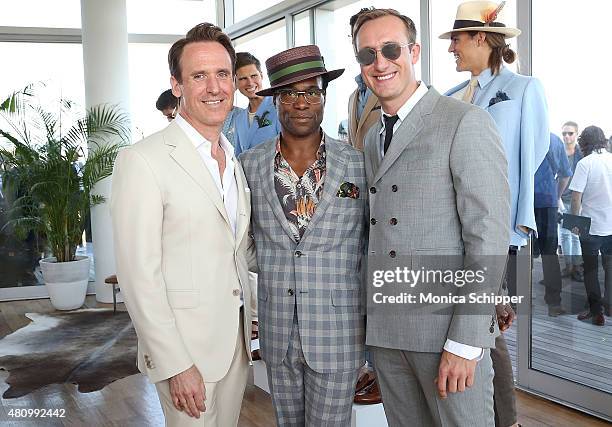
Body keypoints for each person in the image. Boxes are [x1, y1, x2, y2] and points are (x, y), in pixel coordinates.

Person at [353, 8, 510, 427]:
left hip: (446, 334)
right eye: (367, 55)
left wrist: (465, 341)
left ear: (415, 51)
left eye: (390, 49)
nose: (380, 62)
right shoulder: (372, 139)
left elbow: (488, 238)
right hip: (387, 334)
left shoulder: (465, 122)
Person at [111, 23, 257, 426]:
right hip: (186, 355)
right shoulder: (143, 160)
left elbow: (236, 251)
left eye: (223, 74)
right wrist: (175, 364)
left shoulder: (231, 160)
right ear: (177, 85)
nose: (214, 87)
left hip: (234, 347)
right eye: (199, 76)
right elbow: (139, 275)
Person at [240, 45, 367, 426]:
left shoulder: (357, 164)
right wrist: (273, 269)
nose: (302, 103)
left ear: (323, 98)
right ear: (275, 101)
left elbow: (369, 243)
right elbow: (242, 241)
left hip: (338, 332)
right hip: (278, 332)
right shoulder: (249, 166)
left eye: (312, 91)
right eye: (290, 94)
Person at [441, 3, 549, 425]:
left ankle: (506, 420)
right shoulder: (451, 97)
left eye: (456, 39)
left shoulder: (523, 89)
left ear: (481, 39)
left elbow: (533, 152)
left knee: (485, 328)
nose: (451, 47)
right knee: (477, 327)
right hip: (453, 233)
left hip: (495, 231)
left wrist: (514, 220)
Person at [569, 125, 612, 326]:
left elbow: (576, 197)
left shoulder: (585, 163)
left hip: (591, 227)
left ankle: (596, 312)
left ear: (583, 143)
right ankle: (610, 306)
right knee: (610, 268)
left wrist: (574, 222)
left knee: (591, 270)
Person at [534, 133, 572, 316]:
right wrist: (556, 196)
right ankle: (554, 304)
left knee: (516, 252)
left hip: (520, 202)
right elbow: (565, 174)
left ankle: (516, 301)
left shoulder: (519, 132)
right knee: (550, 254)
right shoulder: (555, 140)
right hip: (548, 202)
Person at [234, 52, 280, 156]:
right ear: (236, 82)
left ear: (262, 76)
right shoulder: (239, 120)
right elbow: (238, 156)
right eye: (243, 78)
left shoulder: (278, 107)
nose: (250, 83)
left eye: (254, 76)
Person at [559, 121, 584, 281]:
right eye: (564, 133)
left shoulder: (580, 155)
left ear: (576, 134)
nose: (567, 136)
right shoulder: (559, 151)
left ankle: (577, 267)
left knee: (575, 235)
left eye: (570, 133)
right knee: (564, 235)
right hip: (561, 199)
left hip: (577, 200)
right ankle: (568, 266)